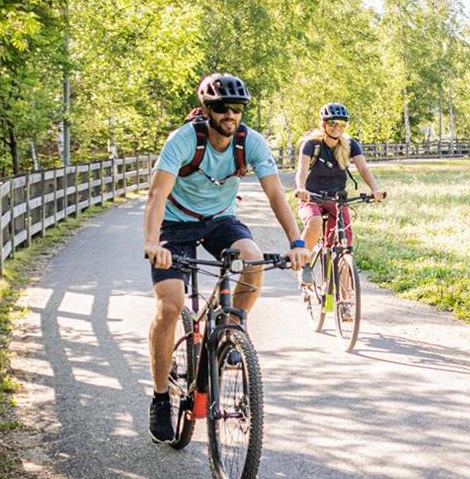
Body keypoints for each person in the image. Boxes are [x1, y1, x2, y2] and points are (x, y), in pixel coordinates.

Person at [141, 72, 311, 443]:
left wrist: (297, 242)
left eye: (236, 108)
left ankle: (234, 325)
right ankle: (158, 397)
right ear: (207, 110)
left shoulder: (251, 142)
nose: (230, 114)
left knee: (252, 259)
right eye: (221, 107)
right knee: (170, 306)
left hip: (220, 220)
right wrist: (153, 243)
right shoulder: (184, 140)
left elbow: (276, 195)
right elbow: (156, 195)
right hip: (174, 225)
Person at [293, 103, 387, 291]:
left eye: (341, 124)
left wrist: (375, 189)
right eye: (332, 123)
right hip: (312, 197)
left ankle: (345, 301)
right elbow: (302, 170)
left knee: (344, 249)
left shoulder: (351, 145)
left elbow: (363, 168)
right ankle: (305, 263)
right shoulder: (312, 145)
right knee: (315, 222)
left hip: (338, 199)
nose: (336, 127)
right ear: (323, 125)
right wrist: (301, 188)